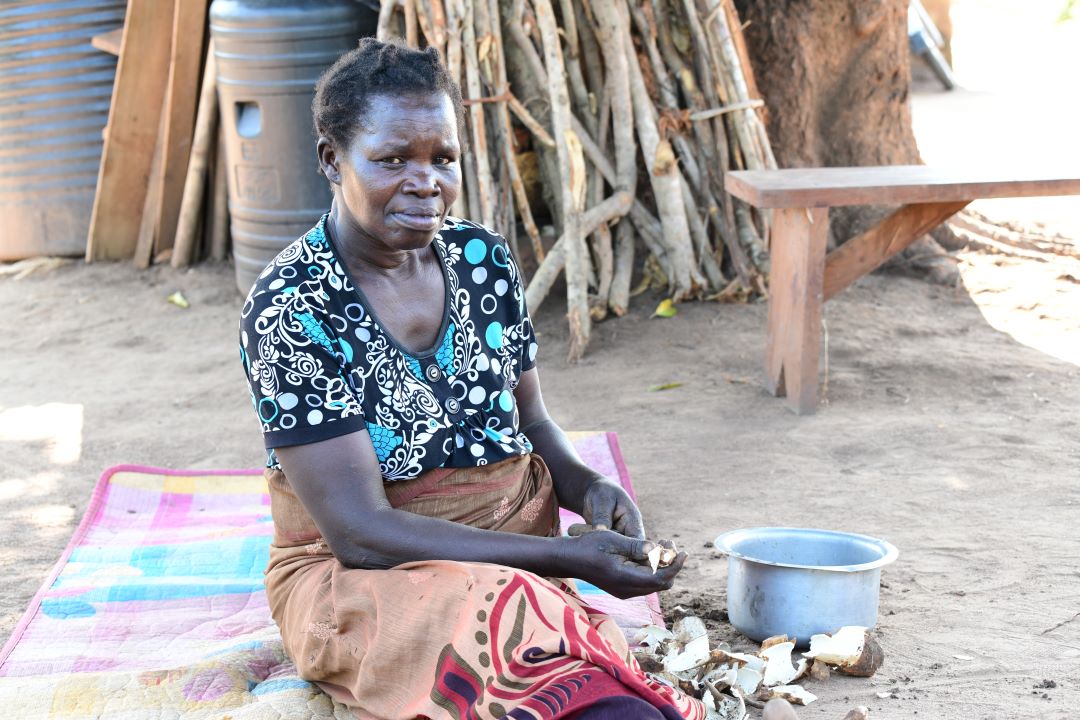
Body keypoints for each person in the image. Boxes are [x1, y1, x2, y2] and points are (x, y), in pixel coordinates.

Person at [239, 38, 702, 720]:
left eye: (442, 158)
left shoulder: (480, 259)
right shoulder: (292, 306)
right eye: (393, 159)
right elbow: (360, 533)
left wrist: (591, 487)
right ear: (332, 161)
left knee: (545, 642)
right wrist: (563, 563)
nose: (425, 181)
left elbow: (533, 425)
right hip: (362, 580)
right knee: (539, 650)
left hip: (509, 550)